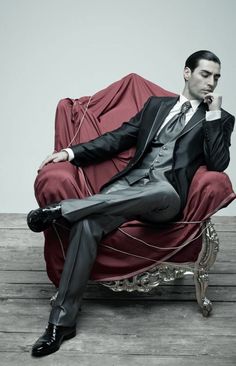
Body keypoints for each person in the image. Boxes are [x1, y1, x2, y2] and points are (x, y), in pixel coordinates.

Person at [27, 50, 234, 357]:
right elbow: (118, 137)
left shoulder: (219, 118)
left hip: (165, 197)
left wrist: (215, 114)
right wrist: (70, 153)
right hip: (127, 186)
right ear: (187, 73)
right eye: (205, 74)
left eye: (216, 77)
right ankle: (61, 323)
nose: (211, 82)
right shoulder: (156, 106)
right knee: (87, 224)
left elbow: (218, 163)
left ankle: (62, 210)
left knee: (162, 192)